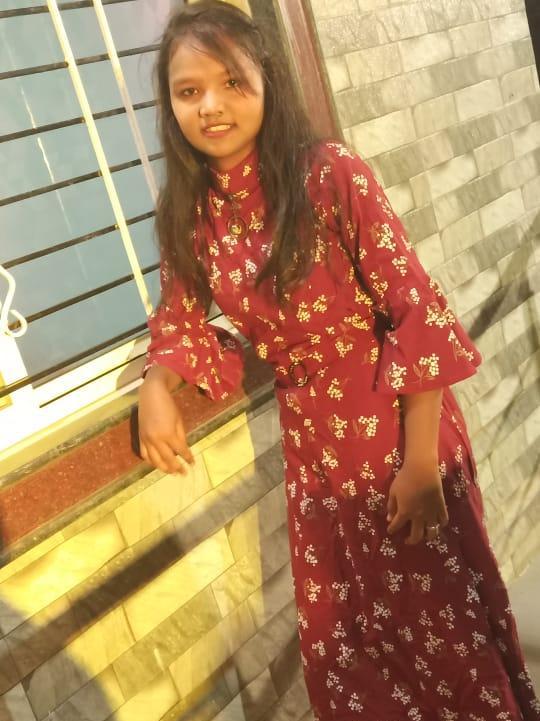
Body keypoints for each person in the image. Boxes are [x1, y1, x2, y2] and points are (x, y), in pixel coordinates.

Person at [137, 1, 540, 719]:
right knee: (347, 644)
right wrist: (156, 383)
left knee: (441, 630)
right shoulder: (187, 214)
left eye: (231, 82)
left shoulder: (327, 173)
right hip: (315, 452)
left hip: (397, 430)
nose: (212, 106)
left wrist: (422, 465)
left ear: (266, 78)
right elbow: (180, 315)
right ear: (171, 107)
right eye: (189, 91)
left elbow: (413, 308)